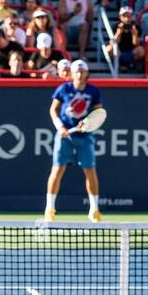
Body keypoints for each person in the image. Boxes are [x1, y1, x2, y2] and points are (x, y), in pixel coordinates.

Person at [44, 60, 103, 223]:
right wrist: (59, 127)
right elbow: (53, 110)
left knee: (90, 171)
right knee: (57, 170)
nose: (79, 74)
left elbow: (98, 113)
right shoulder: (64, 89)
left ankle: (94, 210)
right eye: (76, 71)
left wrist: (88, 125)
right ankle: (50, 208)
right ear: (72, 73)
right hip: (64, 136)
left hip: (85, 137)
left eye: (82, 71)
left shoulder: (94, 91)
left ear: (86, 74)